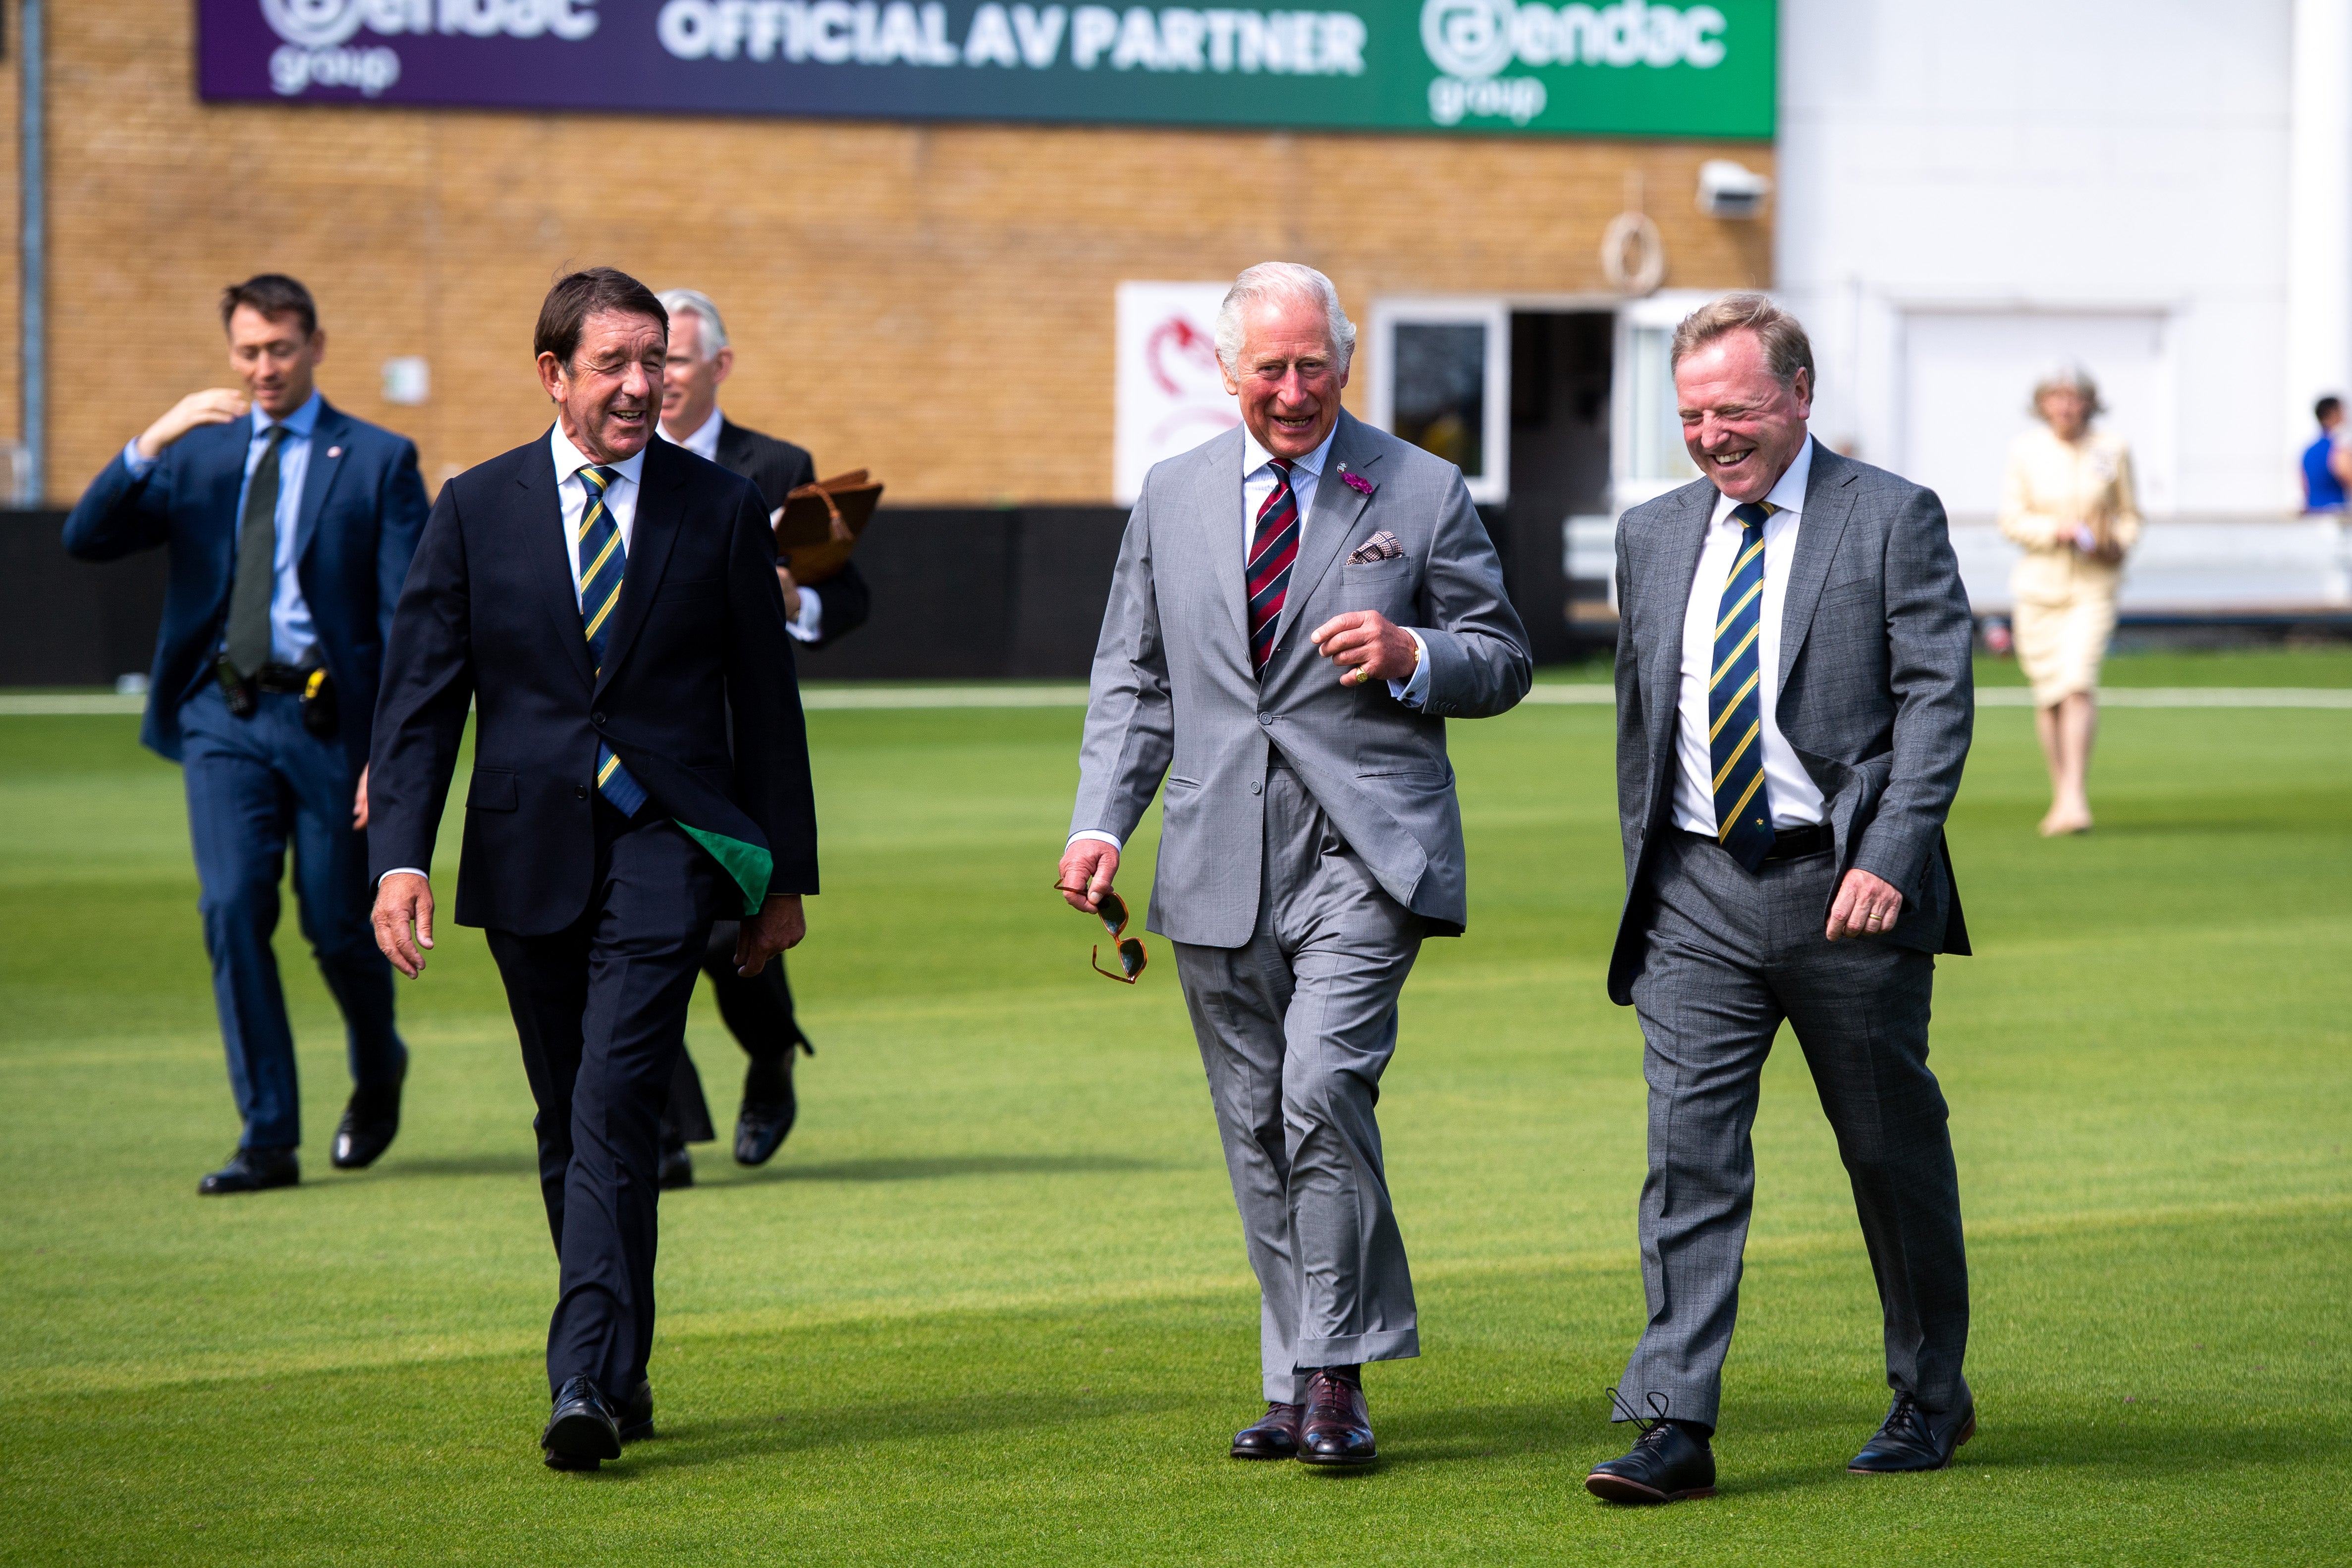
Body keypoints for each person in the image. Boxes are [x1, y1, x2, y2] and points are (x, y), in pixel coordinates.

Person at [1059, 262, 1531, 1467]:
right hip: (1217, 851)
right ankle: (1294, 1379)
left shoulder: (1421, 488)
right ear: (1227, 374)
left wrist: (1414, 648)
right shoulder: (1170, 495)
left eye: (1310, 365)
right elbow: (1137, 678)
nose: (1290, 389)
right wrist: (1102, 819)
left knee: (1322, 1089)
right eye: (1266, 368)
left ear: (1344, 362)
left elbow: (1503, 658)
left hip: (1365, 850)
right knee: (1254, 1123)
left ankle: (1333, 1373)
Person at [366, 268, 816, 1471]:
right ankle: (626, 1371)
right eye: (613, 364)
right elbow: (419, 705)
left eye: (655, 362)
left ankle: (580, 1374)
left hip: (669, 846)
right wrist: (398, 857)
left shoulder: (718, 506)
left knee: (618, 1101)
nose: (641, 387)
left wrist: (783, 883)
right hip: (526, 853)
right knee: (569, 1118)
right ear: (552, 373)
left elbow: (767, 711)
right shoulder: (474, 507)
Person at [1586, 293, 1975, 1504]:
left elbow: (1937, 708)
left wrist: (1890, 855)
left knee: (1886, 1152)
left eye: (1737, 410)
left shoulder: (1891, 518)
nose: (1713, 435)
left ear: (1800, 396)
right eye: (1694, 413)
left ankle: (1929, 1392)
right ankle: (1672, 1422)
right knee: (1687, 1158)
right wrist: (1650, 876)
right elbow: (1641, 721)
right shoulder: (1652, 535)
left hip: (1844, 889)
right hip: (1695, 894)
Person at [62, 273, 428, 1195]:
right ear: (232, 353)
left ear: (316, 347)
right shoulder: (199, 455)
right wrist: (151, 440)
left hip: (327, 723)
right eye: (248, 351)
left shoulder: (378, 459)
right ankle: (268, 1137)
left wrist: (390, 753)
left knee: (340, 932)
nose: (263, 367)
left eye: (280, 349)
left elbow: (408, 619)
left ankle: (379, 1064)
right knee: (231, 908)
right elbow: (86, 536)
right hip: (221, 716)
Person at [649, 287, 872, 1186]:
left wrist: (797, 599)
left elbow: (847, 596)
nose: (655, 380)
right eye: (644, 360)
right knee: (630, 931)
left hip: (735, 739)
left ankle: (771, 1056)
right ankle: (659, 1132)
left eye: (672, 361)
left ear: (719, 368)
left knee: (718, 934)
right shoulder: (607, 463)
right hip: (631, 738)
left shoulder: (774, 467)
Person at [1997, 366, 2141, 837]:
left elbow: (2128, 516)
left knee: (2077, 682)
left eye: (2073, 398)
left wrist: (2114, 542)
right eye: (2055, 399)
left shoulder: (2111, 449)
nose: (2065, 407)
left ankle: (2075, 796)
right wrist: (2054, 532)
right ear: (2042, 405)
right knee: (2050, 693)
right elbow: (2012, 519)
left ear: (2088, 402)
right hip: (2038, 588)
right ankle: (2060, 793)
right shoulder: (2026, 451)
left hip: (2093, 587)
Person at [2300, 395, 2346, 514]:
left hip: (2313, 516)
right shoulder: (2337, 450)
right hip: (2337, 518)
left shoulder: (2308, 452)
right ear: (2334, 414)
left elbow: (2305, 487)